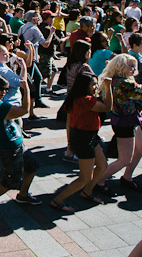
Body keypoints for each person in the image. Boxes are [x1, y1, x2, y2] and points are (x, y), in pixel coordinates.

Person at [0, 73, 41, 218]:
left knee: (32, 166)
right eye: (1, 89)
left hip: (17, 145)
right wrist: (27, 90)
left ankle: (23, 195)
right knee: (9, 182)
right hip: (8, 150)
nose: (4, 92)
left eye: (6, 89)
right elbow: (24, 110)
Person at [50, 71, 113, 213]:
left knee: (102, 165)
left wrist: (69, 142)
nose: (96, 87)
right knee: (84, 178)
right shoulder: (87, 100)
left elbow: (69, 123)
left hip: (88, 136)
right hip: (83, 139)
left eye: (97, 83)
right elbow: (108, 108)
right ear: (84, 85)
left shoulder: (75, 98)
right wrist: (108, 86)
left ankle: (87, 192)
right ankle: (57, 200)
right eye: (93, 84)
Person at [96, 54, 142, 194]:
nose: (134, 68)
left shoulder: (118, 80)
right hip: (125, 121)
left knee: (140, 150)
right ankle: (98, 181)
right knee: (124, 159)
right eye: (131, 65)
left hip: (129, 119)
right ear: (121, 66)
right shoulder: (124, 82)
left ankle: (127, 177)